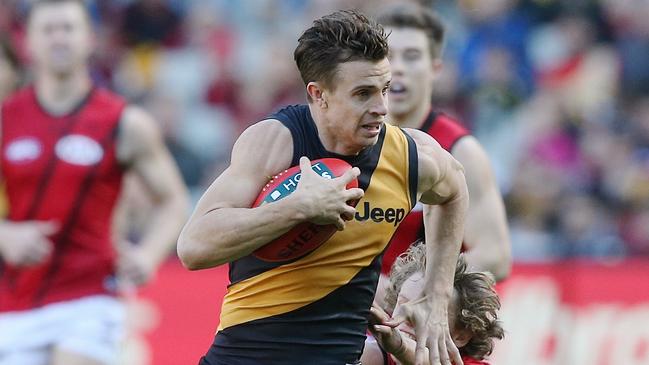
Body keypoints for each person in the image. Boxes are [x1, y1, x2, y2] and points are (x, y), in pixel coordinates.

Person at [177, 9, 469, 365]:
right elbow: (194, 247)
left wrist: (436, 296)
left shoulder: (410, 157)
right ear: (319, 94)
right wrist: (297, 208)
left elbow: (453, 191)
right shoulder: (276, 142)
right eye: (363, 93)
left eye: (385, 89)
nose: (382, 107)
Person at [0, 1, 188, 364]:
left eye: (68, 28)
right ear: (29, 44)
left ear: (90, 39)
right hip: (18, 298)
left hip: (91, 294)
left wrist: (149, 255)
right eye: (48, 29)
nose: (59, 38)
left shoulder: (124, 122)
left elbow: (174, 199)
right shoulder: (6, 119)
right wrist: (4, 236)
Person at [373, 4, 511, 307]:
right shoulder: (347, 140)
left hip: (418, 328)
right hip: (352, 322)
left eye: (411, 56)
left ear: (435, 68)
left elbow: (496, 255)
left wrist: (414, 287)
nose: (397, 68)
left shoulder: (460, 149)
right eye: (387, 56)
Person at [362, 242, 505, 365]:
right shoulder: (374, 356)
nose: (408, 315)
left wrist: (401, 347)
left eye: (425, 310)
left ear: (461, 336)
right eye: (402, 303)